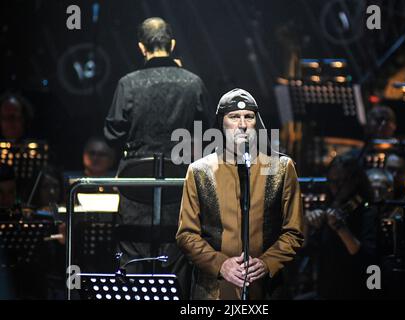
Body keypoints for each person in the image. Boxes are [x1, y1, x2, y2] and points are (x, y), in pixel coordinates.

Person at [103, 17, 213, 298]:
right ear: (172, 45)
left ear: (142, 47)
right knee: (177, 251)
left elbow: (112, 134)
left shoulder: (128, 83)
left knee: (133, 254)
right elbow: (208, 135)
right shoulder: (193, 83)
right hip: (179, 185)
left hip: (135, 185)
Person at [176, 88, 304, 300]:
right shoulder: (199, 171)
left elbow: (294, 231)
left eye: (249, 117)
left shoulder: (282, 168)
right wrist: (220, 264)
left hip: (266, 290)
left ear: (256, 122)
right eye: (234, 117)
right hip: (212, 291)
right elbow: (186, 234)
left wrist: (267, 263)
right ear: (221, 122)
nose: (242, 124)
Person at [304, 154, 378, 299]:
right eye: (331, 182)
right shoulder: (329, 208)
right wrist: (307, 224)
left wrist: (341, 228)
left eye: (340, 182)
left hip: (355, 291)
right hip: (327, 290)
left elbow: (366, 259)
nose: (335, 187)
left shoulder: (367, 212)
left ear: (356, 181)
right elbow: (307, 249)